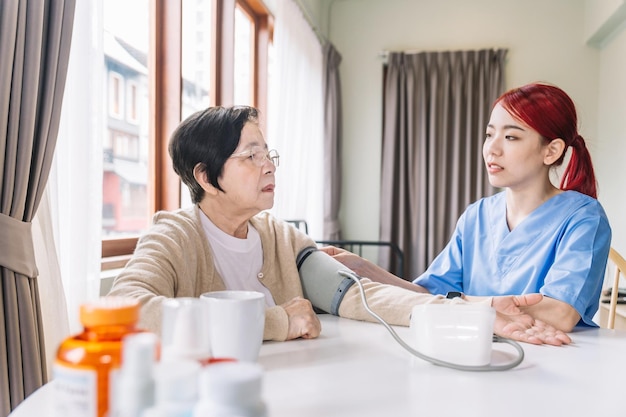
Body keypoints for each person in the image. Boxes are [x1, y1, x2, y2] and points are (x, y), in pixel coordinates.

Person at [108, 105, 570, 346]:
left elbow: (357, 295)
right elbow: (124, 310)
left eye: (268, 153)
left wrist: (472, 313)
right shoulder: (173, 236)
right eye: (250, 156)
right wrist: (275, 321)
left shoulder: (279, 236)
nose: (268, 166)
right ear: (206, 177)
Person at [322, 82, 611, 333]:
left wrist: (463, 305)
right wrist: (361, 267)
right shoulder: (477, 216)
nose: (491, 149)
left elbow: (560, 313)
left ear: (552, 151)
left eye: (510, 137)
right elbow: (427, 294)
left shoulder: (583, 217)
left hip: (557, 360)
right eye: (489, 134)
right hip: (474, 349)